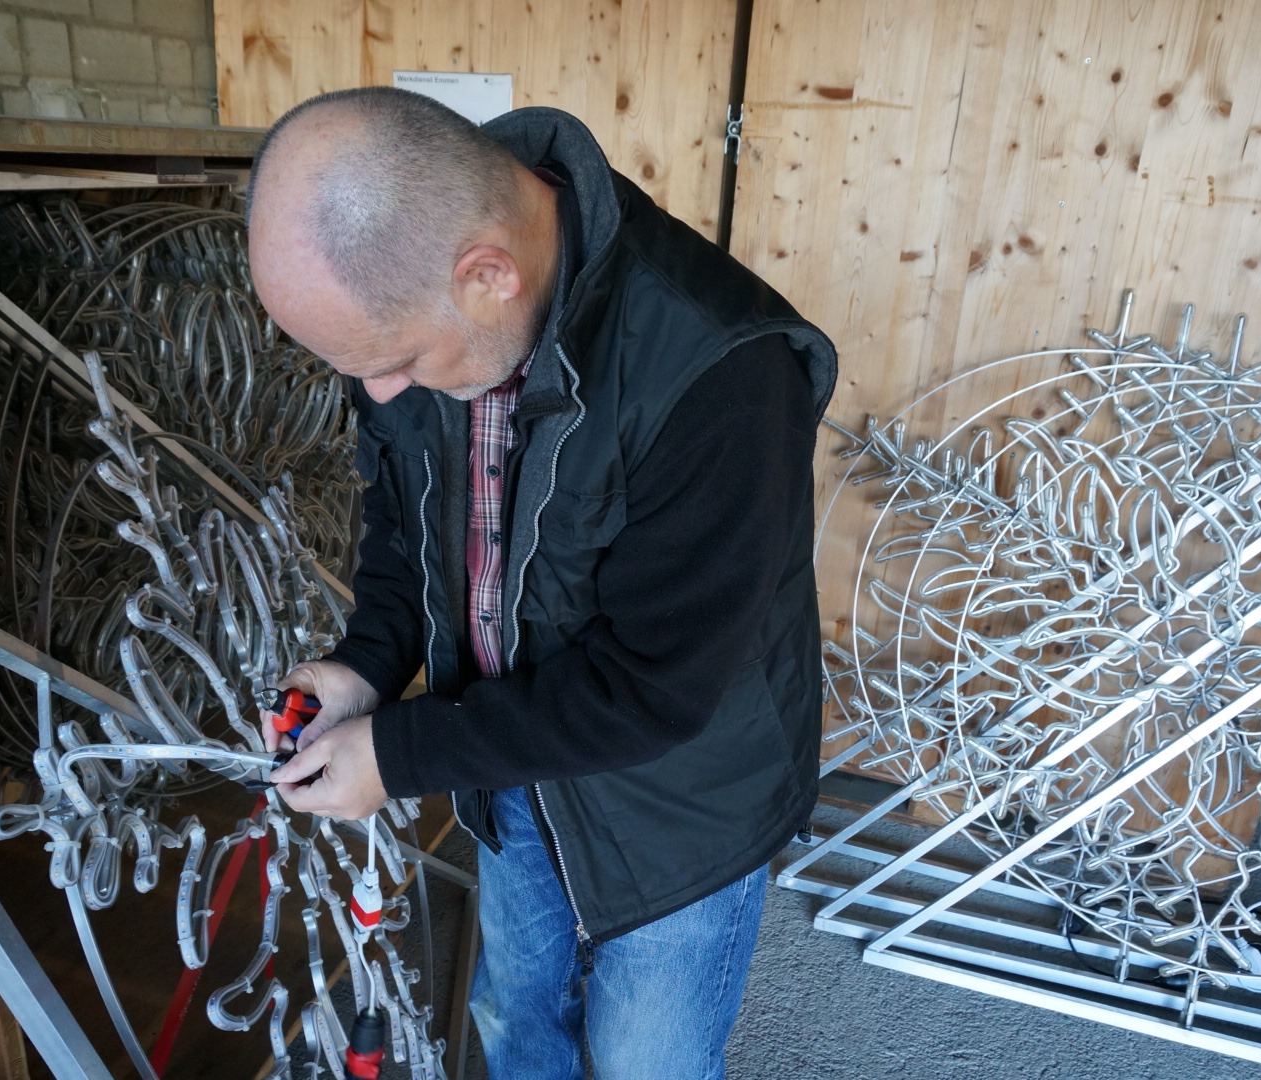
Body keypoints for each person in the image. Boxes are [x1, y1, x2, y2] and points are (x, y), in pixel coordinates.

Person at [247, 87, 837, 1078]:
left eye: (391, 364)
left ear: (486, 275)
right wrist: (363, 667)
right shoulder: (420, 305)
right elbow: (405, 534)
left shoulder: (722, 374)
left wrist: (401, 750)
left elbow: (650, 689)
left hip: (678, 810)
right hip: (508, 760)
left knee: (645, 1057)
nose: (379, 395)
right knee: (515, 1025)